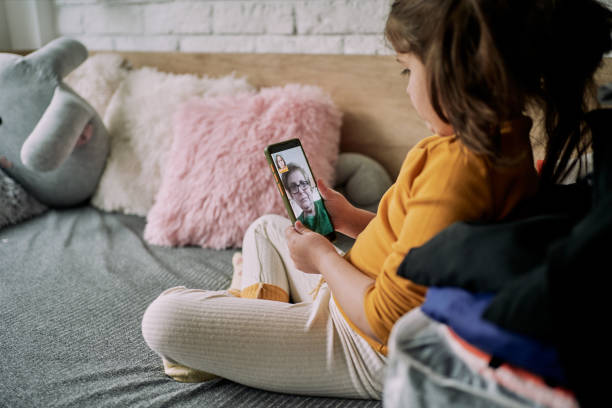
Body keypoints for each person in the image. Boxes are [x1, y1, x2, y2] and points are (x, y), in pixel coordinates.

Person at [141, 0, 611, 400]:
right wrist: (348, 220)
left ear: (453, 74)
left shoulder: (459, 170)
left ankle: (248, 318)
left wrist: (325, 259)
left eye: (408, 69)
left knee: (163, 318)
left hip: (364, 341)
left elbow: (387, 319)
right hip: (358, 286)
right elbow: (423, 252)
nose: (406, 85)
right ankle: (261, 311)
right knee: (267, 227)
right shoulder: (501, 141)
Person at [281, 163, 333, 236]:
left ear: (310, 187)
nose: (301, 191)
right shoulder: (298, 224)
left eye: (303, 183)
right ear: (291, 195)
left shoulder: (326, 206)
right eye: (293, 187)